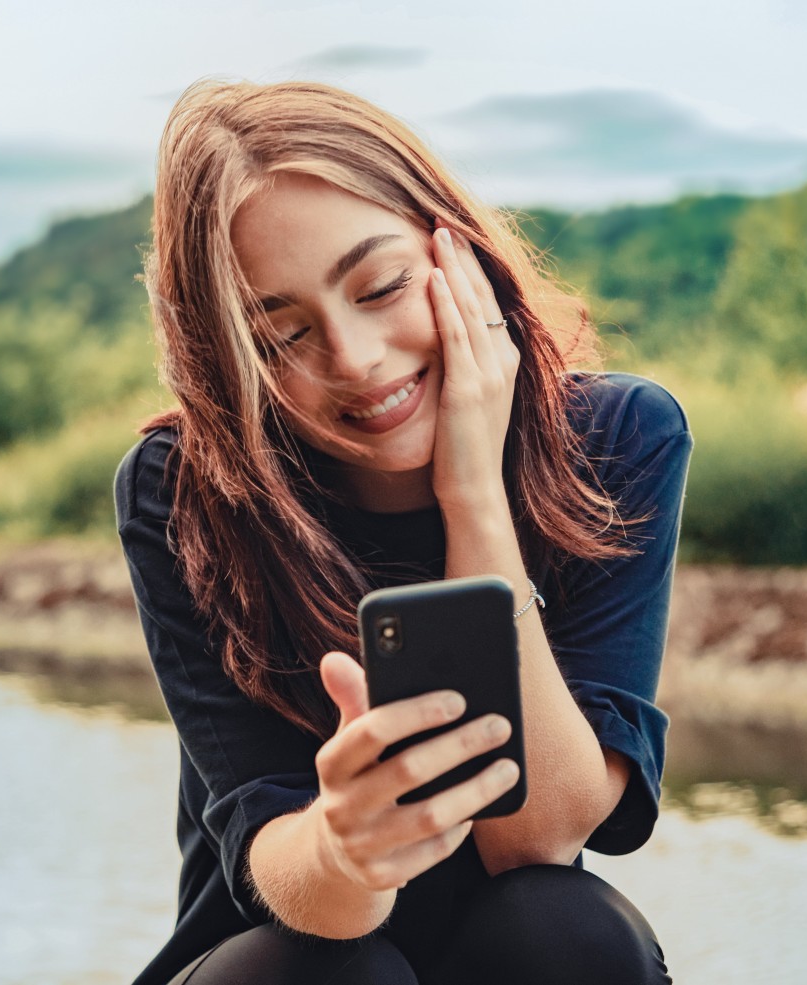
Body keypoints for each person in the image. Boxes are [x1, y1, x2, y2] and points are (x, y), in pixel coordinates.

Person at [115, 79, 690, 984]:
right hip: (279, 959)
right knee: (336, 970)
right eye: (279, 338)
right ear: (227, 364)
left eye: (380, 286)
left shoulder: (615, 441)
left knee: (566, 929)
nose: (353, 357)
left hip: (520, 950)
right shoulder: (184, 491)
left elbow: (538, 839)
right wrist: (344, 850)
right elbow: (272, 861)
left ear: (454, 249)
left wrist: (474, 495)